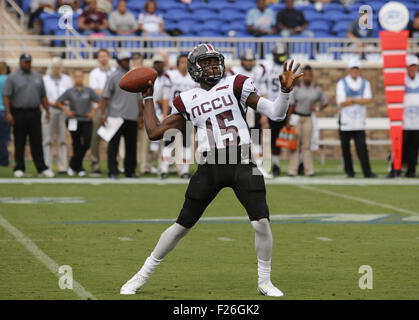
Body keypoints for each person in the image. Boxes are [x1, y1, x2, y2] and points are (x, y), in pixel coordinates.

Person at [119, 42, 303, 297]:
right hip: (210, 165)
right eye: (206, 62)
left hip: (241, 160)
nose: (213, 66)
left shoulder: (236, 84)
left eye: (215, 61)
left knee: (261, 222)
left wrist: (284, 91)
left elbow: (276, 113)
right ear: (195, 68)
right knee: (181, 225)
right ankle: (141, 275)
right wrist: (147, 97)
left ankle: (264, 281)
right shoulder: (186, 99)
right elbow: (154, 132)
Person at [2, 53, 54, 178]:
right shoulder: (12, 77)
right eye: (25, 62)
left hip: (35, 112)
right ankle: (19, 167)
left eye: (29, 62)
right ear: (20, 62)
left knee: (36, 140)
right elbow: (6, 96)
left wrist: (47, 110)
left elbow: (43, 95)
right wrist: (8, 113)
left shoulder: (37, 76)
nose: (27, 64)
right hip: (19, 112)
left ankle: (42, 167)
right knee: (19, 140)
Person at [100, 51, 143, 179]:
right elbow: (105, 97)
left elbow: (139, 98)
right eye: (124, 60)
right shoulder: (112, 77)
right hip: (114, 116)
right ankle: (112, 171)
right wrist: (103, 115)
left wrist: (140, 115)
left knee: (131, 146)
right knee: (113, 146)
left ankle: (130, 171)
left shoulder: (134, 76)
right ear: (118, 62)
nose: (126, 62)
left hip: (131, 116)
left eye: (127, 59)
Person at [228, 48, 268, 171]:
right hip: (239, 110)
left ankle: (259, 165)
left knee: (255, 137)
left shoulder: (259, 71)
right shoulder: (235, 71)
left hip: (253, 109)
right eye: (246, 60)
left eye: (251, 60)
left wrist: (264, 114)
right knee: (240, 137)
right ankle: (242, 165)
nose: (249, 63)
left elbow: (263, 92)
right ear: (242, 61)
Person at [159, 53, 198, 179]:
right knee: (168, 141)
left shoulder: (194, 77)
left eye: (185, 62)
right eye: (181, 62)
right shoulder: (170, 75)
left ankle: (184, 170)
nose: (184, 65)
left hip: (188, 113)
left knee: (187, 143)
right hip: (173, 111)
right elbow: (165, 97)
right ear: (177, 64)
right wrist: (165, 114)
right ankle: (164, 169)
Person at [336, 59, 375, 178]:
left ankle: (367, 171)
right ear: (349, 70)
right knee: (345, 148)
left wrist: (352, 99)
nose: (355, 71)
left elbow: (368, 99)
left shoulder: (365, 83)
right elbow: (341, 102)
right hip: (345, 121)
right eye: (353, 68)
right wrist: (359, 99)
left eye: (357, 69)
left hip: (359, 121)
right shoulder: (341, 83)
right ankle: (349, 171)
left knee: (362, 148)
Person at [56, 70, 100, 176]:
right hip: (73, 120)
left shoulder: (89, 91)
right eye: (76, 77)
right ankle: (79, 168)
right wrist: (66, 110)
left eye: (80, 76)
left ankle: (72, 164)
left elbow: (100, 101)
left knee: (87, 143)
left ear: (83, 77)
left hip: (86, 120)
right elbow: (58, 102)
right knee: (76, 143)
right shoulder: (69, 91)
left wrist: (93, 111)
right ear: (73, 78)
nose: (78, 79)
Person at [286, 65, 328, 177]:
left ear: (312, 76)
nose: (308, 78)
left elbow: (325, 102)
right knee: (295, 145)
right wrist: (288, 119)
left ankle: (308, 170)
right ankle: (292, 170)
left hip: (308, 117)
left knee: (306, 145)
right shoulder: (297, 88)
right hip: (297, 117)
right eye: (306, 75)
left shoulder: (316, 89)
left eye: (310, 75)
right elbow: (291, 105)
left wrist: (317, 108)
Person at [263, 43, 290, 176]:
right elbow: (263, 87)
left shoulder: (289, 66)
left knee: (284, 138)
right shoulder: (267, 66)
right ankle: (273, 165)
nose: (280, 58)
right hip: (271, 105)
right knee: (271, 137)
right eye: (278, 55)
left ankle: (287, 165)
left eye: (282, 55)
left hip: (285, 105)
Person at [42, 57, 73, 174]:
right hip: (49, 110)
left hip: (63, 111)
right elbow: (43, 96)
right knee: (47, 139)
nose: (57, 69)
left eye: (59, 67)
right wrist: (52, 103)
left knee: (62, 139)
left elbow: (70, 95)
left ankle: (63, 166)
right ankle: (47, 165)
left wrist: (63, 105)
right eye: (55, 67)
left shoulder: (67, 79)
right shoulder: (45, 79)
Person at [88, 48, 116, 174]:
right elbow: (95, 92)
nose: (103, 58)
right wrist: (108, 92)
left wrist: (105, 92)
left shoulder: (115, 72)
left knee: (115, 137)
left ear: (109, 57)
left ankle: (115, 163)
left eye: (105, 56)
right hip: (99, 107)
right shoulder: (94, 73)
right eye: (101, 56)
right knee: (95, 137)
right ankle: (95, 163)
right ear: (98, 59)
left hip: (113, 108)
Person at [139, 54, 165, 175]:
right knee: (146, 143)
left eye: (160, 63)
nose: (158, 65)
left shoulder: (166, 78)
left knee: (161, 144)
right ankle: (145, 166)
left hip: (160, 114)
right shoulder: (147, 78)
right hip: (148, 114)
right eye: (156, 63)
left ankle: (161, 166)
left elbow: (166, 98)